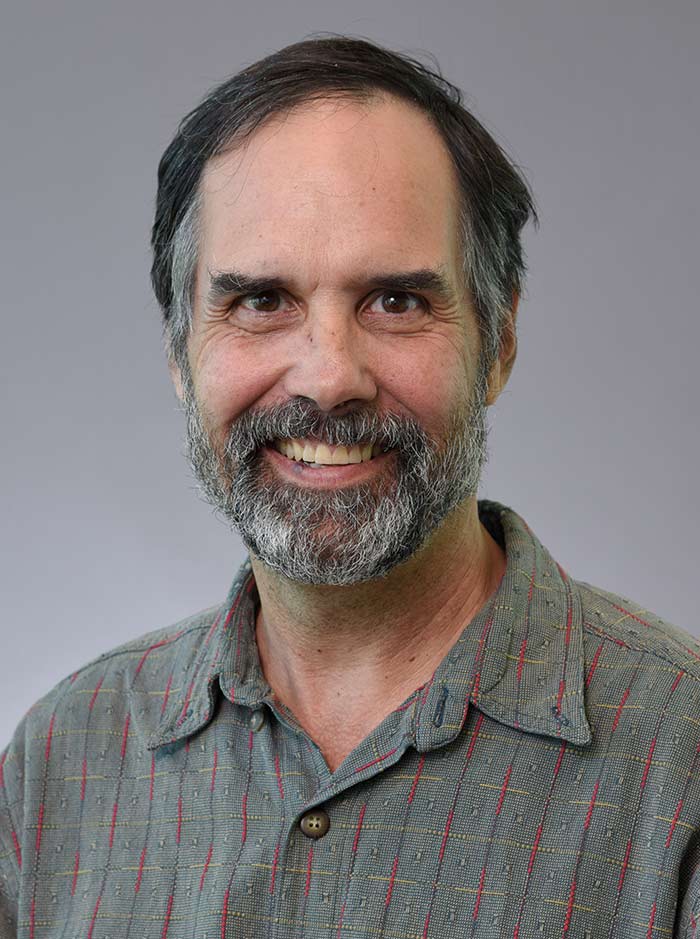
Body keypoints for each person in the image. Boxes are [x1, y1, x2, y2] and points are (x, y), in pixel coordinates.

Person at [0, 35, 698, 939]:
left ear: (500, 340)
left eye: (396, 302)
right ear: (180, 349)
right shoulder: (60, 766)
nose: (329, 378)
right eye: (261, 301)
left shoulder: (681, 760)